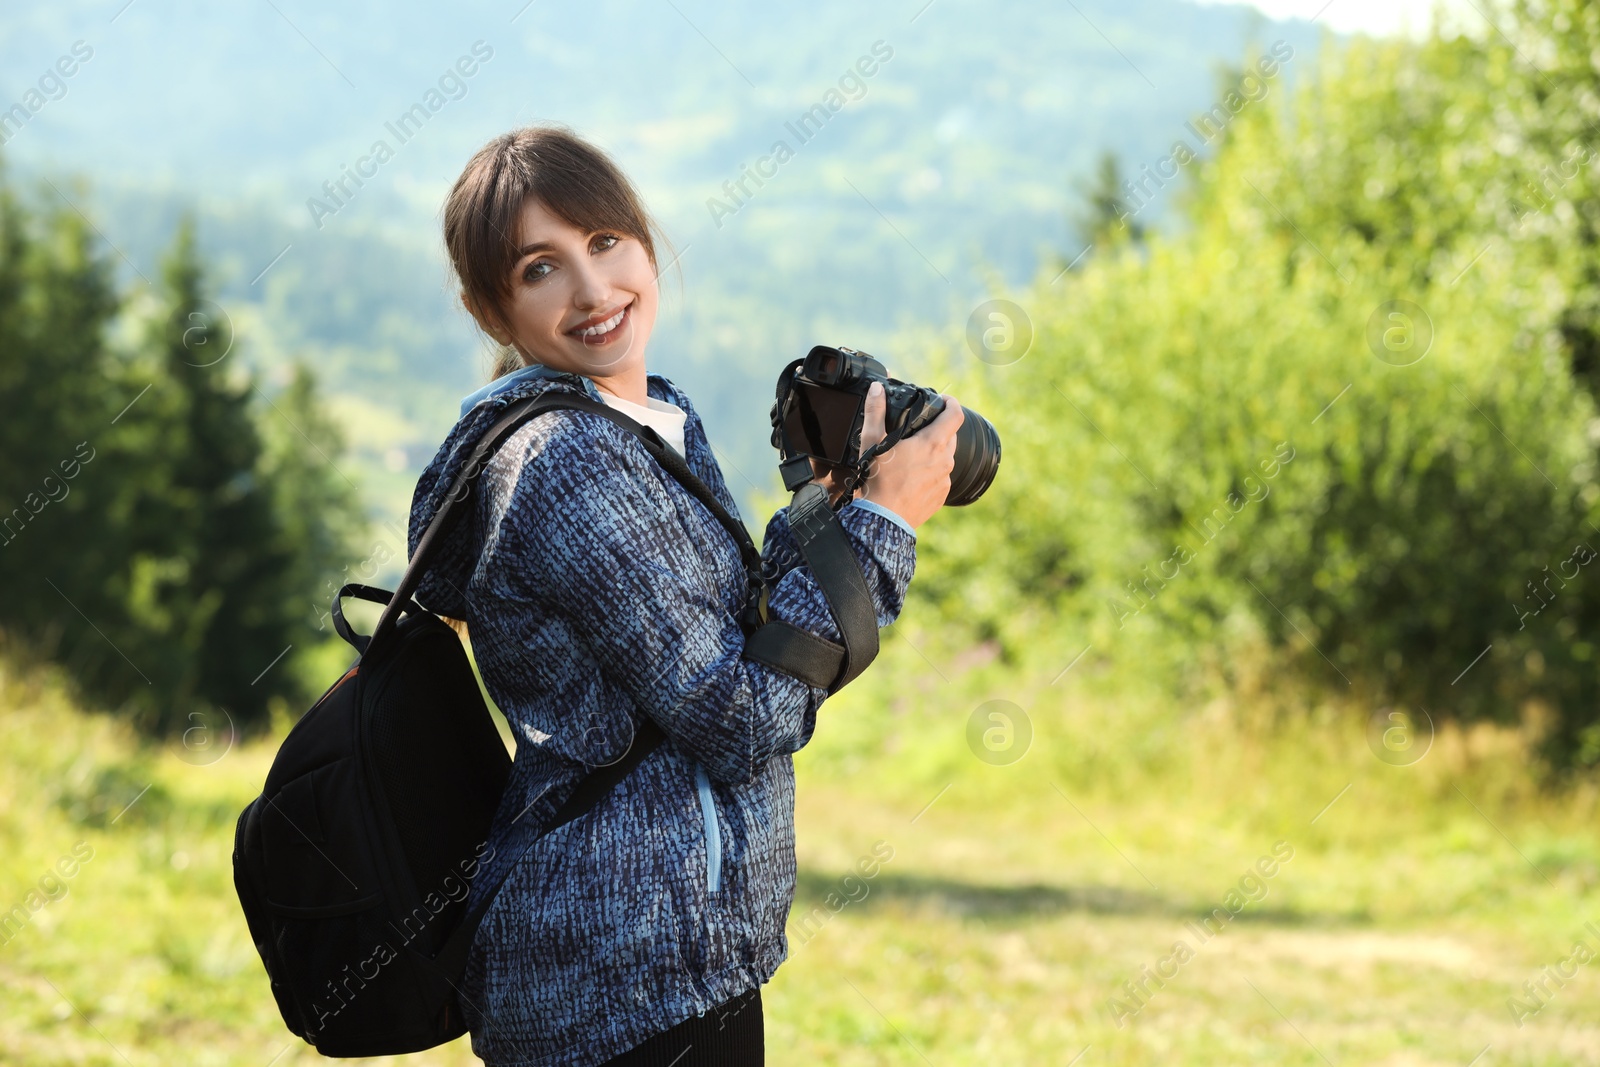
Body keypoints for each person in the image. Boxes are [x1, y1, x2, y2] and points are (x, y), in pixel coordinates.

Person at [407, 124, 963, 1067]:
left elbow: (737, 634)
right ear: (489, 305)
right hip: (625, 981)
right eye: (540, 268)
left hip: (653, 966)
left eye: (604, 242)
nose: (592, 289)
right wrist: (883, 525)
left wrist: (833, 510)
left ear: (644, 240)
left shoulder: (637, 420)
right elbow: (739, 718)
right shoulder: (569, 462)